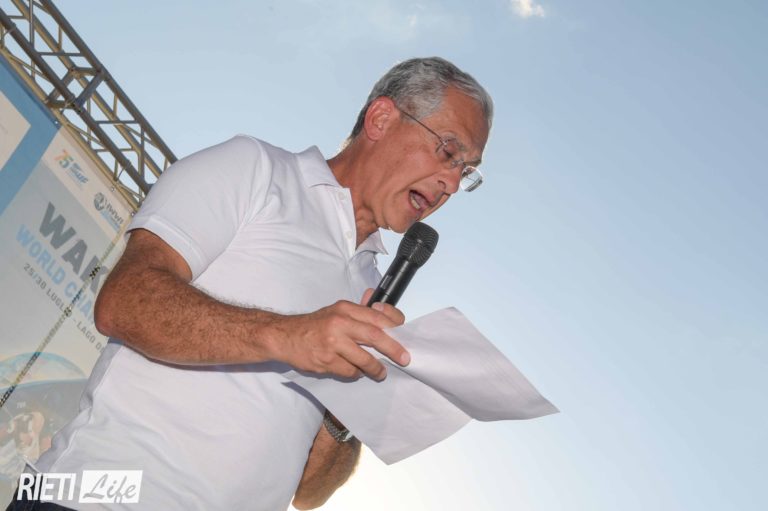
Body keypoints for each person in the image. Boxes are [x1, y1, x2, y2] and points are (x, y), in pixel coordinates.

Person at [10, 56, 492, 510]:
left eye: (466, 172)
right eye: (449, 151)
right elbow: (124, 301)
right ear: (381, 119)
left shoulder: (370, 285)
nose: (451, 184)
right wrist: (292, 335)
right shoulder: (257, 170)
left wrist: (351, 406)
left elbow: (309, 494)